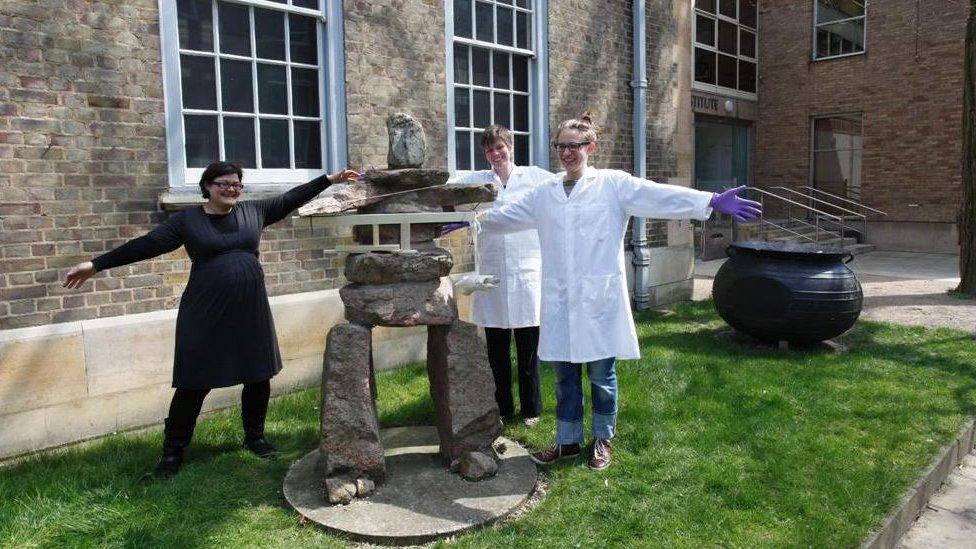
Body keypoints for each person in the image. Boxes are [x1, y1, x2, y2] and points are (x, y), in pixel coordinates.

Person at [476, 114, 761, 470]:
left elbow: (657, 195)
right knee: (565, 378)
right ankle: (566, 443)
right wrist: (467, 220)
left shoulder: (612, 184)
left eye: (574, 146)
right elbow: (503, 216)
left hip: (598, 300)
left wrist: (710, 200)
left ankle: (602, 439)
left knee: (601, 376)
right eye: (561, 146)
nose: (567, 152)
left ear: (590, 148)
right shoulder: (544, 193)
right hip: (560, 299)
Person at [62, 161, 360, 479]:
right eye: (224, 183)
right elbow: (148, 245)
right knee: (194, 382)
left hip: (250, 309)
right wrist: (96, 264)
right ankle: (172, 454)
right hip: (206, 312)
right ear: (207, 186)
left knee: (258, 375)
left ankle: (255, 438)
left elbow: (291, 199)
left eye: (236, 184)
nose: (231, 189)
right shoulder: (188, 221)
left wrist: (329, 179)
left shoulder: (254, 212)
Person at [450, 125, 553, 427]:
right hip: (492, 273)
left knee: (528, 350)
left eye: (500, 147)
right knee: (496, 350)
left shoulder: (534, 177)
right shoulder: (479, 182)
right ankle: (503, 407)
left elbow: (566, 185)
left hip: (526, 272)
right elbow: (447, 184)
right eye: (489, 150)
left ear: (510, 146)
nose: (495, 154)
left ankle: (532, 409)